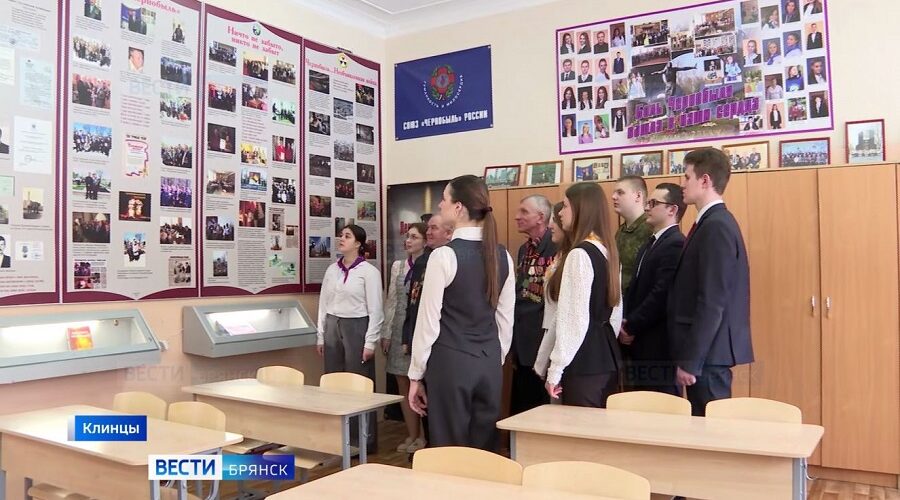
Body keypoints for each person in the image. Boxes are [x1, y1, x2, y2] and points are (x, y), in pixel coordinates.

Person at [408, 175, 515, 451]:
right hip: (489, 363)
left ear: (458, 208)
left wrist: (416, 375)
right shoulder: (503, 255)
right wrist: (494, 357)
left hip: (451, 363)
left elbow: (428, 323)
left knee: (449, 448)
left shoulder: (443, 256)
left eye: (444, 199)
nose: (440, 205)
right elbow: (505, 320)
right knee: (484, 448)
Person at [669, 148, 753, 416]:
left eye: (687, 177)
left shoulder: (716, 225)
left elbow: (712, 300)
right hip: (707, 353)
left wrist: (692, 360)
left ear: (704, 180)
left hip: (709, 355)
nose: (683, 184)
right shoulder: (710, 222)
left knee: (713, 430)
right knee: (703, 428)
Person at [534, 182, 622, 407]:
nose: (560, 213)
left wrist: (555, 370)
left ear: (581, 210)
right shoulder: (607, 251)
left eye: (565, 206)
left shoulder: (579, 254)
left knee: (579, 426)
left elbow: (573, 318)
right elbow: (615, 313)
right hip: (606, 354)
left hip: (583, 359)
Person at [316, 224, 384, 452]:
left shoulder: (369, 272)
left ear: (358, 243)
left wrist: (370, 341)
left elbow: (376, 310)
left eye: (347, 236)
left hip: (357, 326)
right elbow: (323, 304)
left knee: (359, 382)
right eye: (341, 235)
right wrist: (321, 335)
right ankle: (338, 439)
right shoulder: (332, 270)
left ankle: (363, 441)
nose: (341, 239)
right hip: (333, 325)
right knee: (333, 381)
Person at [618, 184, 685, 395]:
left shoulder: (675, 243)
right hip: (641, 342)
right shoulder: (652, 242)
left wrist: (631, 326)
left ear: (672, 210)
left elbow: (661, 294)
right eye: (648, 203)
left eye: (654, 203)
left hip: (659, 346)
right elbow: (635, 287)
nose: (647, 207)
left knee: (661, 406)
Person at [381, 223, 427, 453]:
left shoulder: (430, 264)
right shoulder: (398, 266)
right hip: (399, 328)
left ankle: (425, 437)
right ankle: (412, 434)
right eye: (407, 236)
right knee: (402, 381)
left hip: (419, 329)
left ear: (425, 241)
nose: (408, 241)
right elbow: (392, 300)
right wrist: (387, 332)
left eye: (414, 237)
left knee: (421, 383)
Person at [510, 195, 556, 415]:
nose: (517, 216)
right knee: (523, 404)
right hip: (521, 339)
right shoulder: (524, 250)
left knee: (542, 408)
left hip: (542, 339)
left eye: (524, 212)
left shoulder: (556, 247)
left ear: (540, 217)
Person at [612, 175, 652, 294]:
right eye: (614, 193)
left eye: (620, 192)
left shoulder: (651, 229)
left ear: (638, 196)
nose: (613, 197)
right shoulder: (620, 231)